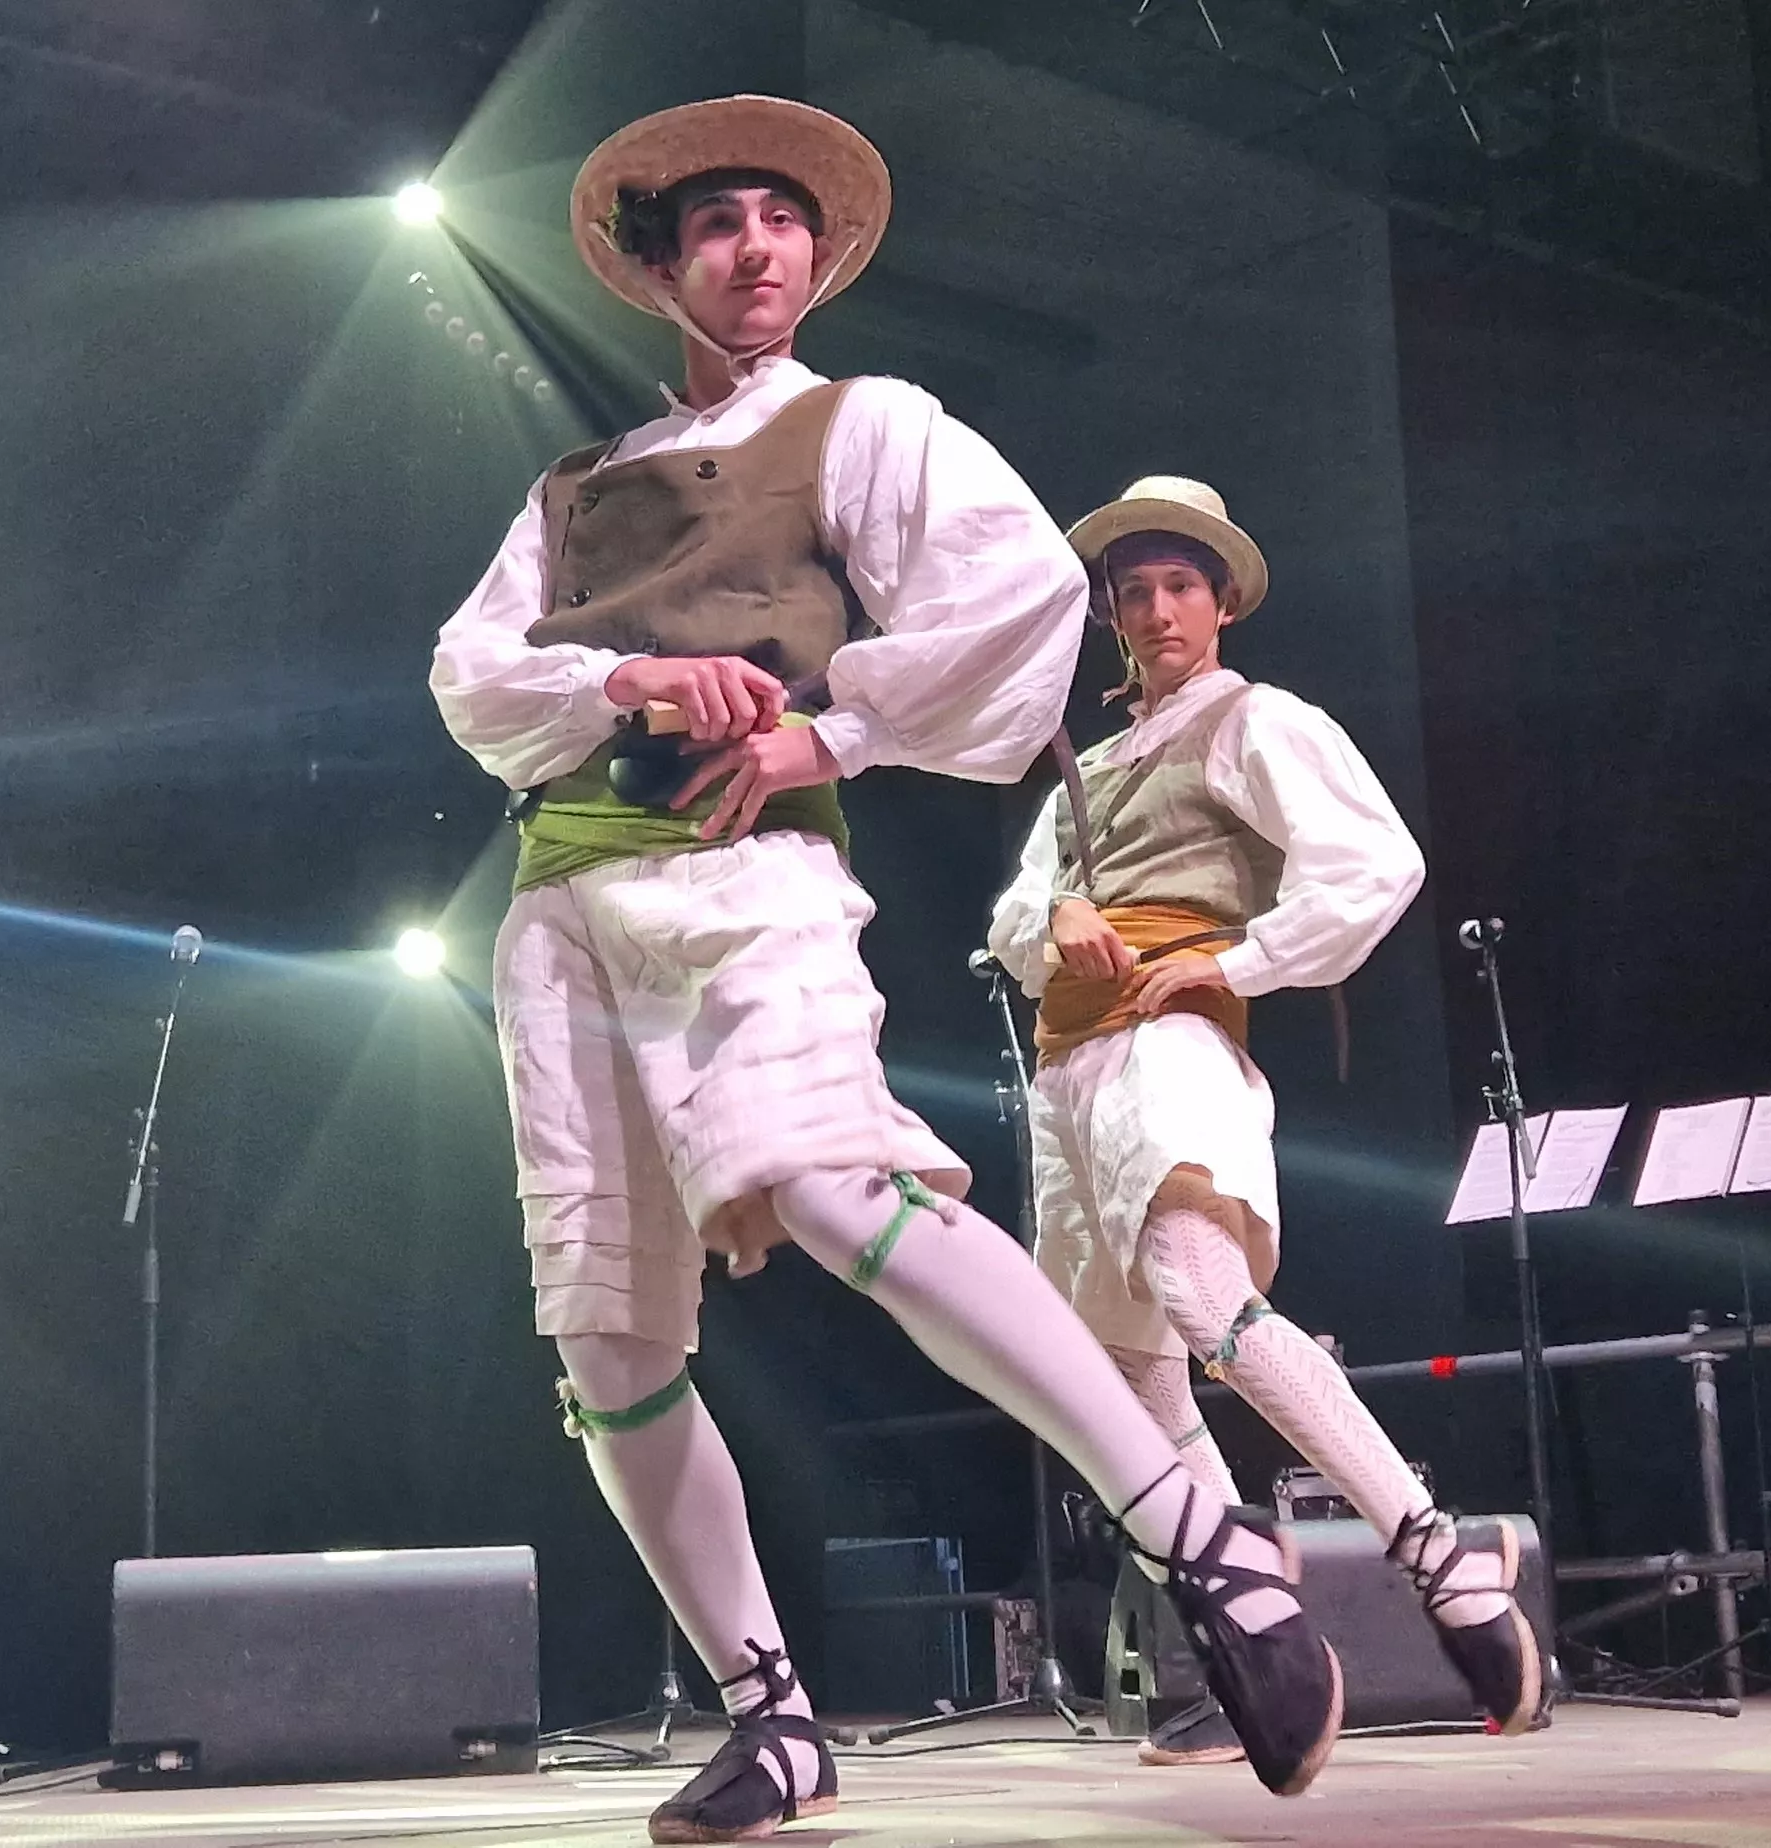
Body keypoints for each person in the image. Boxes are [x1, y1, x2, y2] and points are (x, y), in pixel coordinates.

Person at [429, 101, 1346, 1842]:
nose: (756, 248)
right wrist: (626, 685)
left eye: (782, 220)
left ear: (816, 257)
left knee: (841, 1188)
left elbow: (1010, 604)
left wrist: (820, 728)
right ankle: (766, 1714)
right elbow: (474, 683)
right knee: (607, 1325)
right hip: (562, 907)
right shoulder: (569, 489)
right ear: (660, 262)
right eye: (719, 224)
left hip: (747, 876)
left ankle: (1203, 1535)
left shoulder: (864, 428)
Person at [985, 477, 1549, 1763]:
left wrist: (1236, 966)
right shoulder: (1092, 762)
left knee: (1203, 1297)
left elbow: (1374, 861)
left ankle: (1439, 1557)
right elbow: (1012, 922)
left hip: (1169, 1046)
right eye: (1134, 594)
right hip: (1070, 1074)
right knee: (1127, 1375)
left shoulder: (1254, 719)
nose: (1157, 612)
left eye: (1179, 587)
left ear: (1222, 600)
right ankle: (1243, 1647)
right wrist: (1052, 921)